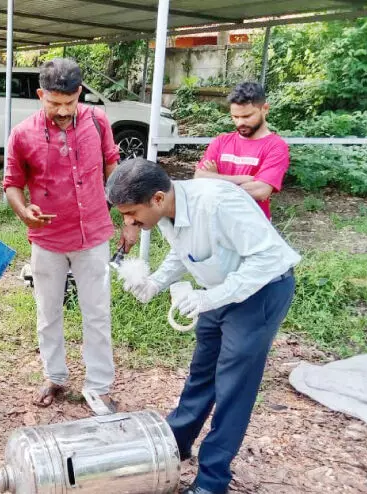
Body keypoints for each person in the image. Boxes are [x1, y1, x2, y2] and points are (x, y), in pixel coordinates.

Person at [107, 158, 301, 494]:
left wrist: (210, 299)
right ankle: (176, 443)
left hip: (262, 291)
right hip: (216, 292)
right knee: (202, 371)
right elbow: (184, 253)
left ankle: (212, 481)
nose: (129, 222)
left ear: (156, 198)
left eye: (130, 213)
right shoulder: (167, 210)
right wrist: (155, 283)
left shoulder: (217, 203)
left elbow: (268, 259)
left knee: (232, 387)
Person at [3, 58, 139, 412]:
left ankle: (99, 385)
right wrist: (23, 211)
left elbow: (114, 168)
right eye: (54, 103)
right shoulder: (22, 134)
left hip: (93, 234)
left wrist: (129, 218)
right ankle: (56, 377)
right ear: (40, 95)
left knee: (97, 312)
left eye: (69, 102)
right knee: (48, 313)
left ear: (79, 93)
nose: (62, 111)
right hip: (47, 240)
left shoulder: (98, 122)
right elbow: (12, 184)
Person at [193, 82, 290, 220]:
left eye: (246, 117)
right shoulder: (221, 141)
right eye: (235, 117)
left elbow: (260, 190)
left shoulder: (276, 146)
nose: (240, 123)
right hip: (216, 223)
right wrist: (244, 179)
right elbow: (199, 177)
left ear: (265, 109)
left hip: (253, 228)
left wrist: (215, 179)